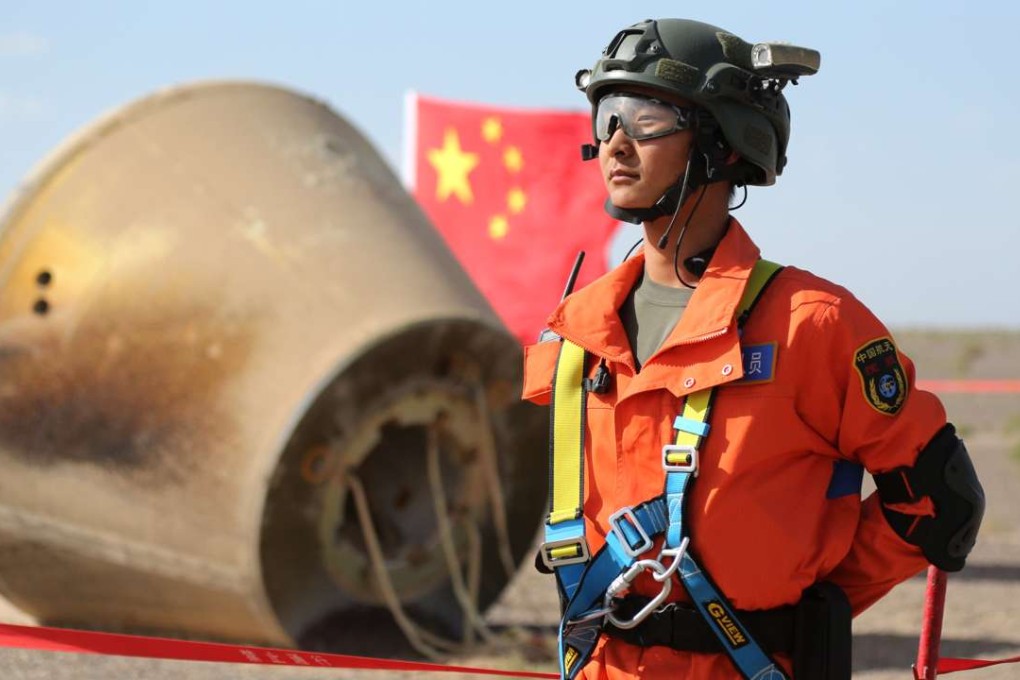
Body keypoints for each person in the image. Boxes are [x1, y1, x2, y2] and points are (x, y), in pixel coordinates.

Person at [521, 18, 985, 680]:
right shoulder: (575, 334)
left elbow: (942, 504)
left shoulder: (809, 326)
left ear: (723, 139)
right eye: (607, 115)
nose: (617, 143)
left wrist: (807, 605)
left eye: (646, 116)